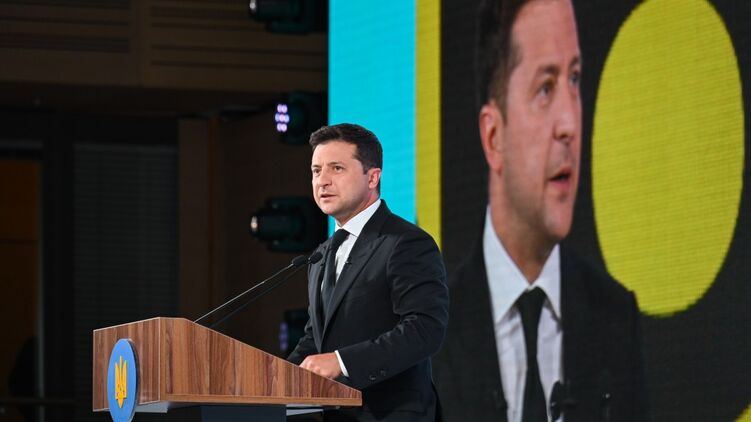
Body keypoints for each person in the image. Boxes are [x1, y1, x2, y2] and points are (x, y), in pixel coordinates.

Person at [432, 0, 649, 421]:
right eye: (546, 88)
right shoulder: (430, 335)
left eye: (574, 79)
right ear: (494, 136)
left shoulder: (615, 319)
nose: (570, 123)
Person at [287, 123, 449, 422]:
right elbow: (316, 339)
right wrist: (277, 380)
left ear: (372, 177)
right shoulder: (321, 255)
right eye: (316, 171)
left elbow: (425, 329)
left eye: (336, 168)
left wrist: (342, 362)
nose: (322, 181)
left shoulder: (405, 242)